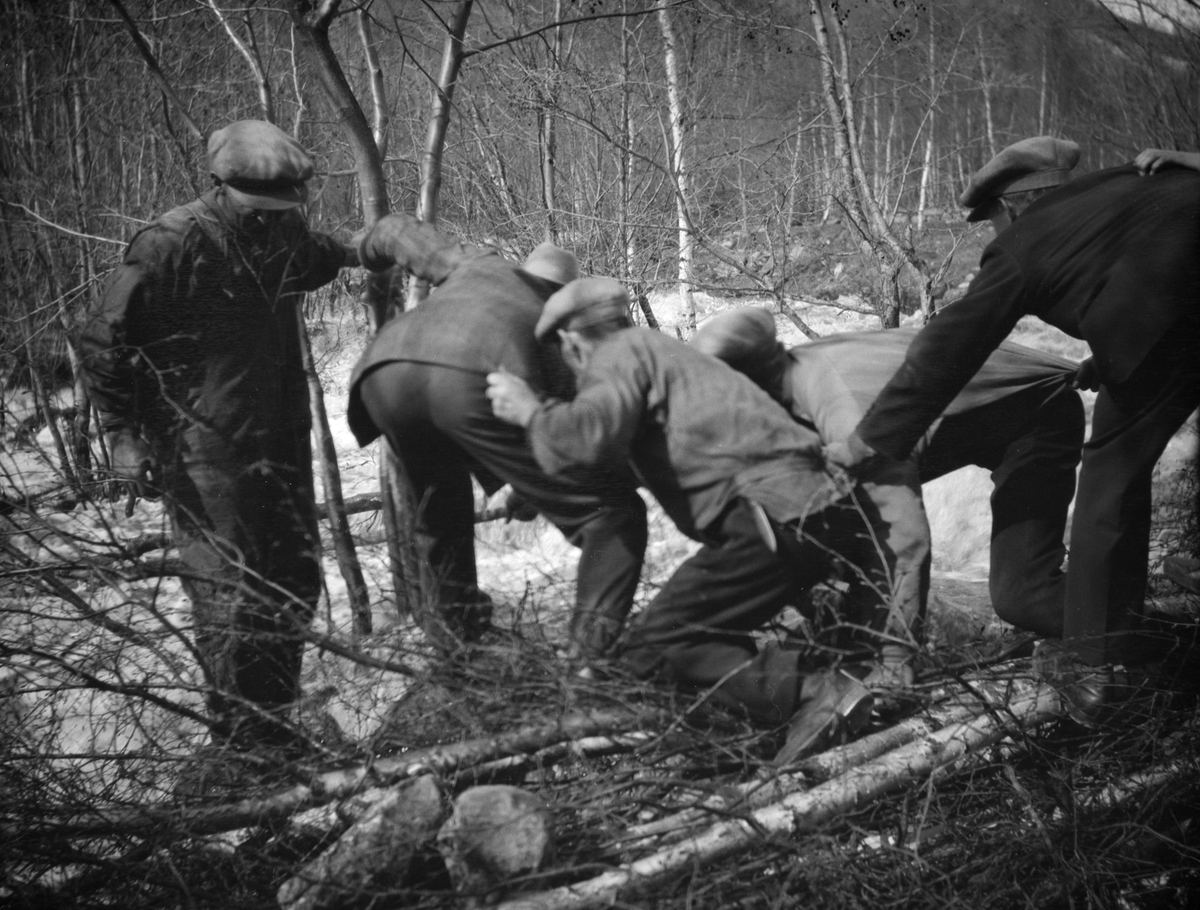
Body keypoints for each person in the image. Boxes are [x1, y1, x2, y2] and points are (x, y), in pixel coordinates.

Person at [823, 135, 1200, 723]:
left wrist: (870, 443)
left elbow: (952, 347)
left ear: (1018, 204)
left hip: (1172, 331)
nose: (996, 234)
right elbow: (1140, 272)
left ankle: (1097, 665)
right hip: (1177, 325)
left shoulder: (1025, 243)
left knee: (1110, 480)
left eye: (993, 219)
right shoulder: (1130, 186)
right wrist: (1111, 351)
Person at [487, 277, 904, 764]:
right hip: (810, 511)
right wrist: (538, 490)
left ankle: (816, 692)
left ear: (572, 340)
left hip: (772, 513)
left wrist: (532, 413)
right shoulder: (662, 354)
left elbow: (590, 434)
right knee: (693, 632)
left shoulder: (620, 353)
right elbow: (655, 456)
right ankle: (788, 711)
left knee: (658, 643)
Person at [79, 120, 359, 751]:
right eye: (257, 208)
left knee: (292, 578)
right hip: (202, 445)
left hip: (280, 435)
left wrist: (363, 248)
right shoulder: (169, 243)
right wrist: (123, 435)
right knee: (228, 595)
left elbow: (314, 258)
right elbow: (102, 340)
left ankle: (273, 722)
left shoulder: (282, 229)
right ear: (221, 186)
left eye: (280, 209)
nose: (269, 219)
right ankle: (238, 741)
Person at [691, 307, 1084, 650]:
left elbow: (906, 540)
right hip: (978, 411)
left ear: (748, 382)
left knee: (1023, 596)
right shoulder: (787, 370)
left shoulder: (845, 408)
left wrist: (894, 658)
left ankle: (1133, 632)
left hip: (1038, 413)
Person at [347, 216, 648, 661]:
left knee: (441, 514)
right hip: (467, 385)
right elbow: (570, 443)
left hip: (382, 374)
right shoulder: (564, 328)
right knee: (613, 517)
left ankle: (457, 645)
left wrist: (351, 249)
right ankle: (589, 665)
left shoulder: (478, 264)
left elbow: (397, 233)